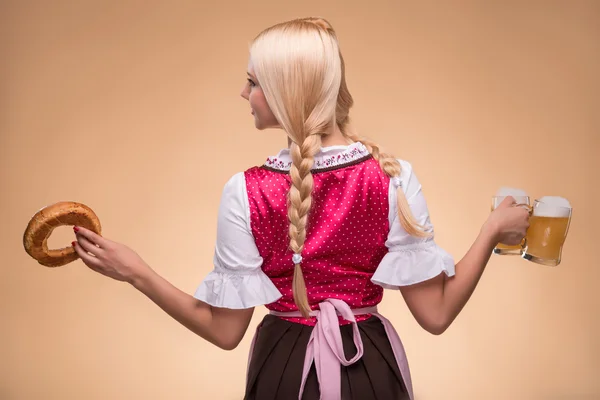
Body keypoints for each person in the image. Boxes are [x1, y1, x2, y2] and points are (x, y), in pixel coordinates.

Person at [72, 16, 531, 400]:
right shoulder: (392, 177)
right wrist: (490, 231)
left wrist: (136, 272)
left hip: (282, 370)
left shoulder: (245, 190)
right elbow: (436, 315)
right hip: (369, 366)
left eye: (253, 82)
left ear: (284, 90)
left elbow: (225, 333)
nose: (242, 93)